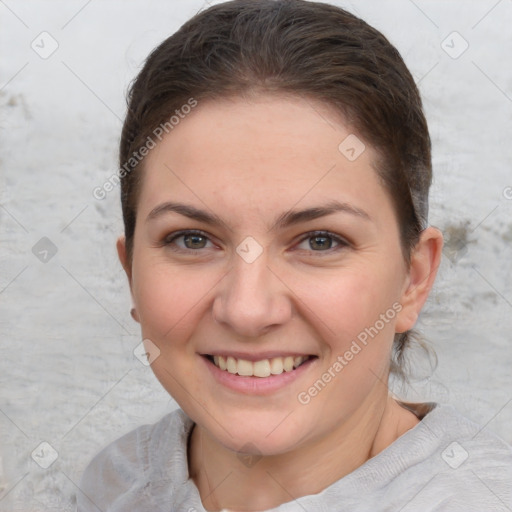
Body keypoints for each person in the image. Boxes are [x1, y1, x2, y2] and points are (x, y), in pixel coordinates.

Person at [76, 1, 512, 510]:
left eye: (320, 240)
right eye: (192, 239)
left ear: (413, 279)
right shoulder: (111, 485)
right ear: (132, 274)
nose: (248, 310)